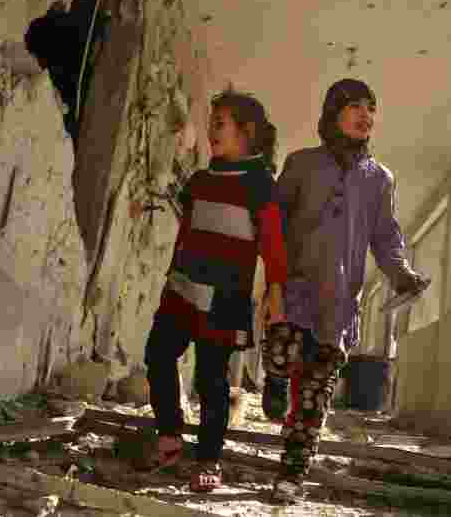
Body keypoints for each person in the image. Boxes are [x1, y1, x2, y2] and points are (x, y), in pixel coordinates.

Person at [260, 78, 428, 503]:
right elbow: (274, 222)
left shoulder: (380, 180)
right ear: (333, 112)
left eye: (371, 108)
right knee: (281, 357)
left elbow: (386, 237)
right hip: (294, 290)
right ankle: (277, 378)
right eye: (355, 106)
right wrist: (271, 281)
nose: (365, 115)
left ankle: (291, 474)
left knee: (314, 399)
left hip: (338, 305)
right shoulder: (301, 164)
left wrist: (402, 273)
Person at [144, 87, 287, 493]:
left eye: (219, 124)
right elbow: (185, 233)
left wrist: (275, 295)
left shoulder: (261, 184)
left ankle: (208, 459)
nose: (211, 132)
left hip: (224, 299)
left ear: (248, 132)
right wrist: (171, 276)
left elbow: (273, 245)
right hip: (182, 291)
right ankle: (169, 435)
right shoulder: (200, 180)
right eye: (210, 124)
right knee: (157, 354)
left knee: (211, 380)